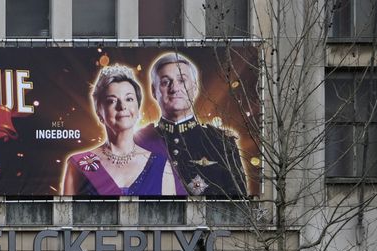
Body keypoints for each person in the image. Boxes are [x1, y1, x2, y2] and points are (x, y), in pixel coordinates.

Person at [135, 52, 248, 197]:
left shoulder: (221, 142)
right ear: (153, 90)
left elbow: (239, 202)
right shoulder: (139, 143)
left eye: (182, 80)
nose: (175, 88)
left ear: (195, 87)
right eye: (165, 82)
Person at [63, 64, 183, 196]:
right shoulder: (79, 164)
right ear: (99, 111)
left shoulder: (161, 166)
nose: (122, 106)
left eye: (129, 99)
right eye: (112, 101)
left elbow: (169, 216)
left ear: (138, 109)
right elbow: (66, 216)